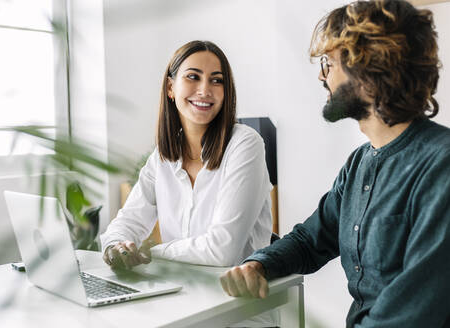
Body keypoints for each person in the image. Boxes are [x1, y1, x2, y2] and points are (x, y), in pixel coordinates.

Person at [220, 1, 450, 327]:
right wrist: (258, 265)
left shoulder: (441, 165)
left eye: (328, 62)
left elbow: (413, 314)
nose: (321, 75)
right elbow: (310, 240)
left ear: (369, 66)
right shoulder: (358, 164)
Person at [100, 40, 279, 327]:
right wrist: (115, 249)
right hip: (182, 307)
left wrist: (148, 253)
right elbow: (125, 224)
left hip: (241, 314)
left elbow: (223, 251)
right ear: (171, 88)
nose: (205, 90)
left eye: (216, 80)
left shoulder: (245, 144)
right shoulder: (162, 157)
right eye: (193, 76)